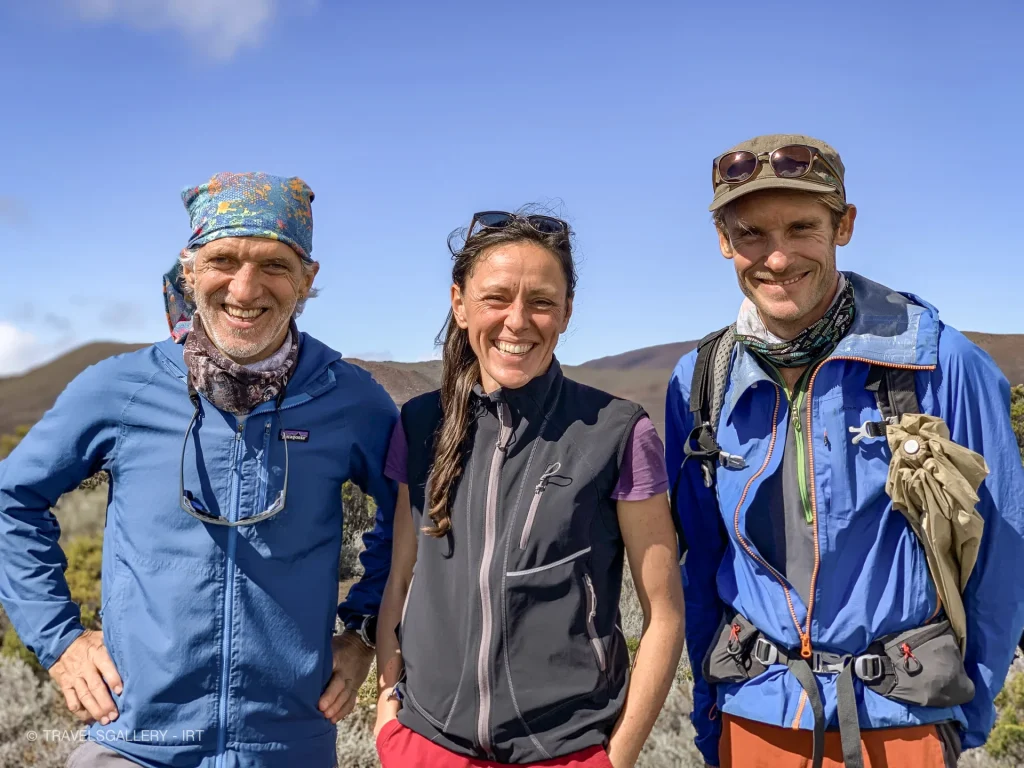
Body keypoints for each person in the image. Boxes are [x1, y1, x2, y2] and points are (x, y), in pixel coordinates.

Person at [0, 172, 398, 768]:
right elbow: (12, 500)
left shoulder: (350, 399)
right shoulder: (121, 388)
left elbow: (416, 514)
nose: (245, 287)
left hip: (288, 744)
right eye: (224, 259)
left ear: (308, 280)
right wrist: (60, 642)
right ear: (190, 268)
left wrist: (365, 628)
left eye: (274, 265)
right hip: (132, 739)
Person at [665, 135, 1024, 768]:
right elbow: (698, 565)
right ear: (724, 240)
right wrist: (710, 715)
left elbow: (1003, 556)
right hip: (754, 715)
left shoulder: (941, 365)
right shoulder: (701, 381)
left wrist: (960, 716)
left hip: (902, 720)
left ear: (844, 225)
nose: (776, 258)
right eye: (751, 233)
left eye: (802, 227)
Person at [372, 210, 686, 767]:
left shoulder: (615, 430)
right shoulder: (420, 423)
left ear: (565, 312)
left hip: (565, 752)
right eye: (496, 297)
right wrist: (385, 711)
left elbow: (663, 614)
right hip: (425, 744)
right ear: (459, 302)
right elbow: (401, 576)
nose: (517, 321)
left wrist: (617, 757)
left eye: (541, 301)